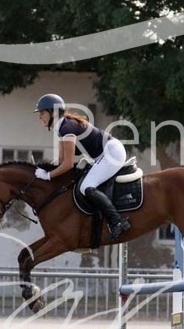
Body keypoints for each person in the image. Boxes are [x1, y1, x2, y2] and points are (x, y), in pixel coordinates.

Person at [31, 93, 132, 239]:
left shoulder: (67, 128)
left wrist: (47, 176)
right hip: (104, 154)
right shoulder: (61, 127)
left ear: (53, 112)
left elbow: (68, 164)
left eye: (42, 113)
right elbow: (60, 160)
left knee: (86, 186)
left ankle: (117, 221)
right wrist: (44, 170)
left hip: (112, 153)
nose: (40, 117)